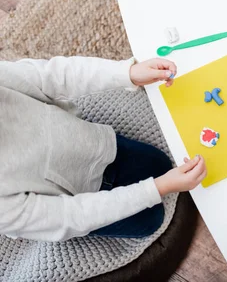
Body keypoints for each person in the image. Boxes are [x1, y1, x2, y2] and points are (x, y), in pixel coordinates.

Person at [0, 56, 207, 241]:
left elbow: (51, 75)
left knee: (159, 162)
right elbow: (72, 216)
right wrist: (158, 188)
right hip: (80, 196)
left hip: (96, 143)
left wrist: (127, 73)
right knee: (151, 220)